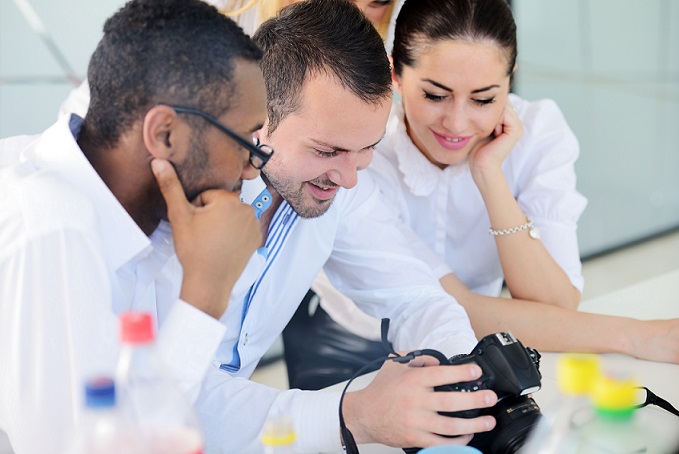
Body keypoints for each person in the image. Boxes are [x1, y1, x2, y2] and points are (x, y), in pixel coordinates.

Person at [287, 0, 679, 393]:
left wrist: (490, 176)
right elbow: (456, 308)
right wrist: (637, 336)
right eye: (435, 95)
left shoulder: (539, 133)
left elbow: (557, 308)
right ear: (396, 75)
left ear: (510, 80)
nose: (457, 123)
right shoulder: (364, 150)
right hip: (350, 343)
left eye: (484, 99)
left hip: (490, 338)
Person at [193, 0, 502, 452]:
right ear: (256, 120)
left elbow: (416, 297)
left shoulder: (341, 185)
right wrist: (351, 414)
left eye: (367, 149)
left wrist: (458, 377)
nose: (350, 177)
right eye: (327, 151)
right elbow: (173, 395)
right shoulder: (177, 201)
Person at [0, 0, 269, 451]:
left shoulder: (142, 220)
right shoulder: (51, 224)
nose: (251, 170)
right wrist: (205, 295)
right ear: (164, 134)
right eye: (246, 141)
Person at [57, 0, 397, 121]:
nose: (357, 13)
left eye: (380, 0)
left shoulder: (375, 66)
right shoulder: (209, 15)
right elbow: (94, 117)